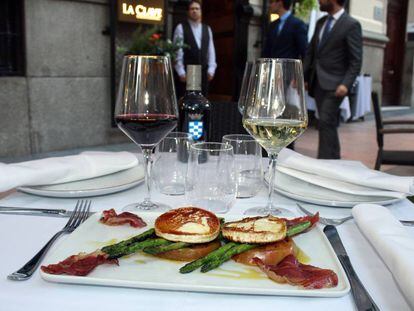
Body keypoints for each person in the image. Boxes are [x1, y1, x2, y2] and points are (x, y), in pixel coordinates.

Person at [304, 0, 362, 159]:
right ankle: (334, 160)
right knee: (327, 123)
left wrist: (346, 84)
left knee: (324, 121)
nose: (319, 1)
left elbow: (356, 60)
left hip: (336, 85)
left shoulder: (351, 24)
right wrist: (304, 76)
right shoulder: (321, 22)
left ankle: (323, 162)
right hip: (318, 83)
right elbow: (311, 52)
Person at [173, 0, 217, 97]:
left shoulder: (207, 29)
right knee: (187, 101)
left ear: (201, 11)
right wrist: (180, 71)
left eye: (197, 8)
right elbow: (177, 50)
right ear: (188, 12)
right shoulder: (181, 27)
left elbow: (211, 50)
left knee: (202, 101)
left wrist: (211, 69)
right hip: (187, 72)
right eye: (192, 9)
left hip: (203, 72)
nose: (194, 11)